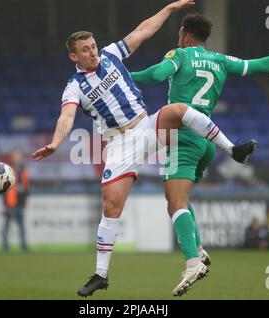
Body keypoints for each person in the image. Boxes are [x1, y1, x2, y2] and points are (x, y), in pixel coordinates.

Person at [31, 0, 256, 298]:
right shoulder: (74, 86)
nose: (93, 51)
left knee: (178, 109)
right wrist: (56, 143)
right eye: (85, 50)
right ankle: (101, 274)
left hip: (145, 127)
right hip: (120, 144)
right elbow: (67, 116)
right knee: (111, 205)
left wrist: (168, 10)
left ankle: (233, 150)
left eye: (94, 46)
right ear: (73, 55)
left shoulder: (112, 54)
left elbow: (143, 30)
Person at [130, 13, 269, 296]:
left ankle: (192, 262)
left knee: (175, 204)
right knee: (180, 199)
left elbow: (158, 74)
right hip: (208, 140)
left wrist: (128, 77)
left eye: (179, 33)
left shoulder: (180, 54)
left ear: (185, 34)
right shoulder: (221, 60)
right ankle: (198, 248)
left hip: (184, 138)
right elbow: (264, 64)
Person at [2, 148, 30, 253]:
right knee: (7, 225)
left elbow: (27, 185)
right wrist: (4, 203)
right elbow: (3, 188)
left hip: (20, 201)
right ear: (12, 157)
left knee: (22, 226)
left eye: (18, 156)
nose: (17, 158)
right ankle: (5, 246)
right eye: (15, 156)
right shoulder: (7, 169)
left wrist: (27, 198)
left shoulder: (23, 169)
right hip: (10, 202)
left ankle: (24, 246)